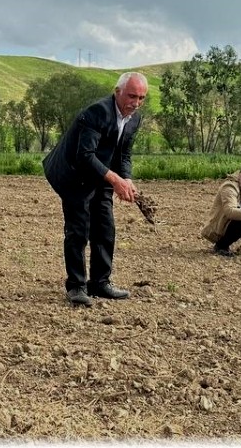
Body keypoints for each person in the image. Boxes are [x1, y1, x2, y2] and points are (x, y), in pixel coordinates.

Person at [43, 72, 148, 307]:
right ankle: (77, 287)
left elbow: (123, 154)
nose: (136, 103)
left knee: (105, 228)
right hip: (74, 174)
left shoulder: (134, 119)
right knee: (78, 231)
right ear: (117, 91)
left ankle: (100, 283)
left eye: (141, 98)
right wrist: (115, 179)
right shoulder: (97, 112)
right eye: (132, 96)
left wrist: (126, 179)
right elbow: (84, 156)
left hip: (100, 175)